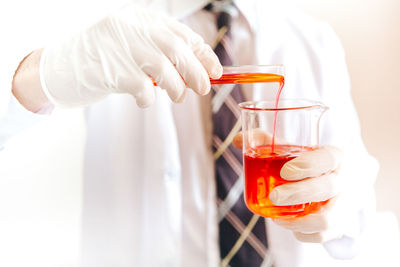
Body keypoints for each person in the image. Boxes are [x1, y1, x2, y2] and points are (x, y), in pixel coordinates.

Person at [0, 0, 379, 266]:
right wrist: (48, 72)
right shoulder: (108, 29)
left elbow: (355, 211)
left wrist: (344, 204)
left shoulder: (314, 40)